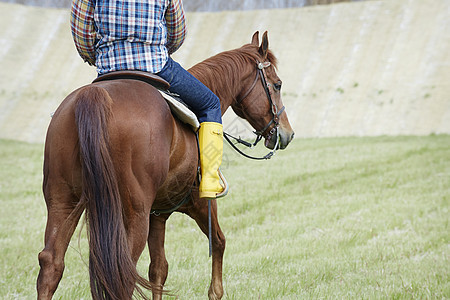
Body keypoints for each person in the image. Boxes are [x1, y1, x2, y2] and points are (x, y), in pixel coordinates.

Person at [70, 0, 224, 199]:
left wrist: (96, 56)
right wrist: (157, 49)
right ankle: (210, 180)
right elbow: (177, 33)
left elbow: (81, 32)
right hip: (155, 66)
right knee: (210, 103)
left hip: (109, 67)